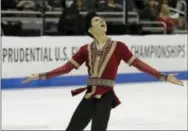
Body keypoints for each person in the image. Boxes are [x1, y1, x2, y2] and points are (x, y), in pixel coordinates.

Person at [23, 11, 184, 131]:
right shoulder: (85, 49)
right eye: (97, 20)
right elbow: (66, 68)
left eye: (102, 19)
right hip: (89, 95)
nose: (102, 21)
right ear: (91, 30)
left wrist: (162, 76)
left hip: (106, 95)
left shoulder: (119, 47)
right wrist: (40, 75)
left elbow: (139, 65)